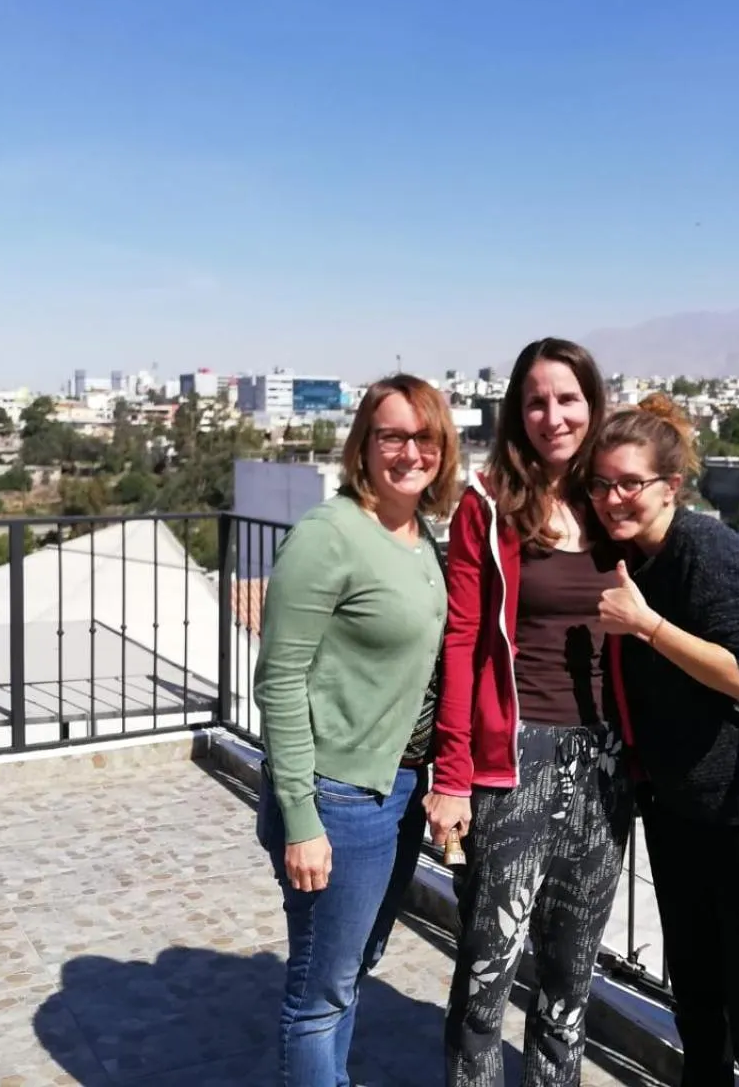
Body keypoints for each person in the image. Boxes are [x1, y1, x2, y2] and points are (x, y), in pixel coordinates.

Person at [590, 395, 739, 1087]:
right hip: (687, 810)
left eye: (629, 483)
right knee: (699, 1007)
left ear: (670, 486)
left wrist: (645, 624)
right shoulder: (639, 555)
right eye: (600, 484)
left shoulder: (704, 550)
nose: (612, 498)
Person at [427, 337, 636, 1086]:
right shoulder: (487, 507)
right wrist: (451, 776)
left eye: (568, 398)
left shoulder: (616, 502)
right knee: (488, 971)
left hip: (607, 761)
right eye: (537, 400)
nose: (554, 415)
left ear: (592, 404)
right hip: (515, 757)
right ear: (518, 412)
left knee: (570, 983)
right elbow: (459, 641)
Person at [253, 374, 461, 1086]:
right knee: (320, 993)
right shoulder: (329, 534)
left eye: (423, 435)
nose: (409, 451)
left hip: (396, 786)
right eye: (392, 435)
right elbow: (278, 680)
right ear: (363, 445)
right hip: (336, 796)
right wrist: (301, 820)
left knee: (354, 966)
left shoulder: (416, 534)